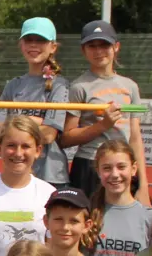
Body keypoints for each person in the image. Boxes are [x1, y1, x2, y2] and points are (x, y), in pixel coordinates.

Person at [62, 20, 146, 196]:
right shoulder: (79, 87)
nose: (99, 51)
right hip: (90, 164)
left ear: (116, 47)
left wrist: (143, 184)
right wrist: (102, 125)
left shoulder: (130, 86)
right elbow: (66, 138)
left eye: (104, 45)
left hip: (121, 165)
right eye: (92, 46)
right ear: (83, 50)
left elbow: (135, 137)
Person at [0, 17, 69, 186]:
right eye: (29, 40)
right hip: (16, 174)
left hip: (51, 175)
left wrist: (13, 124)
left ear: (53, 47)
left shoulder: (59, 85)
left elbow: (48, 135)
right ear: (21, 45)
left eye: (40, 40)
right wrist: (37, 121)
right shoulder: (12, 85)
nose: (34, 45)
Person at [0, 116, 54, 256]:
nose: (18, 153)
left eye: (26, 146)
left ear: (38, 150)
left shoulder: (48, 194)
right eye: (11, 146)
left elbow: (52, 246)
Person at [88, 140, 152, 256]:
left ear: (133, 169)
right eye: (107, 168)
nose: (114, 174)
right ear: (98, 171)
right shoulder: (87, 215)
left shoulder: (149, 218)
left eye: (121, 167)